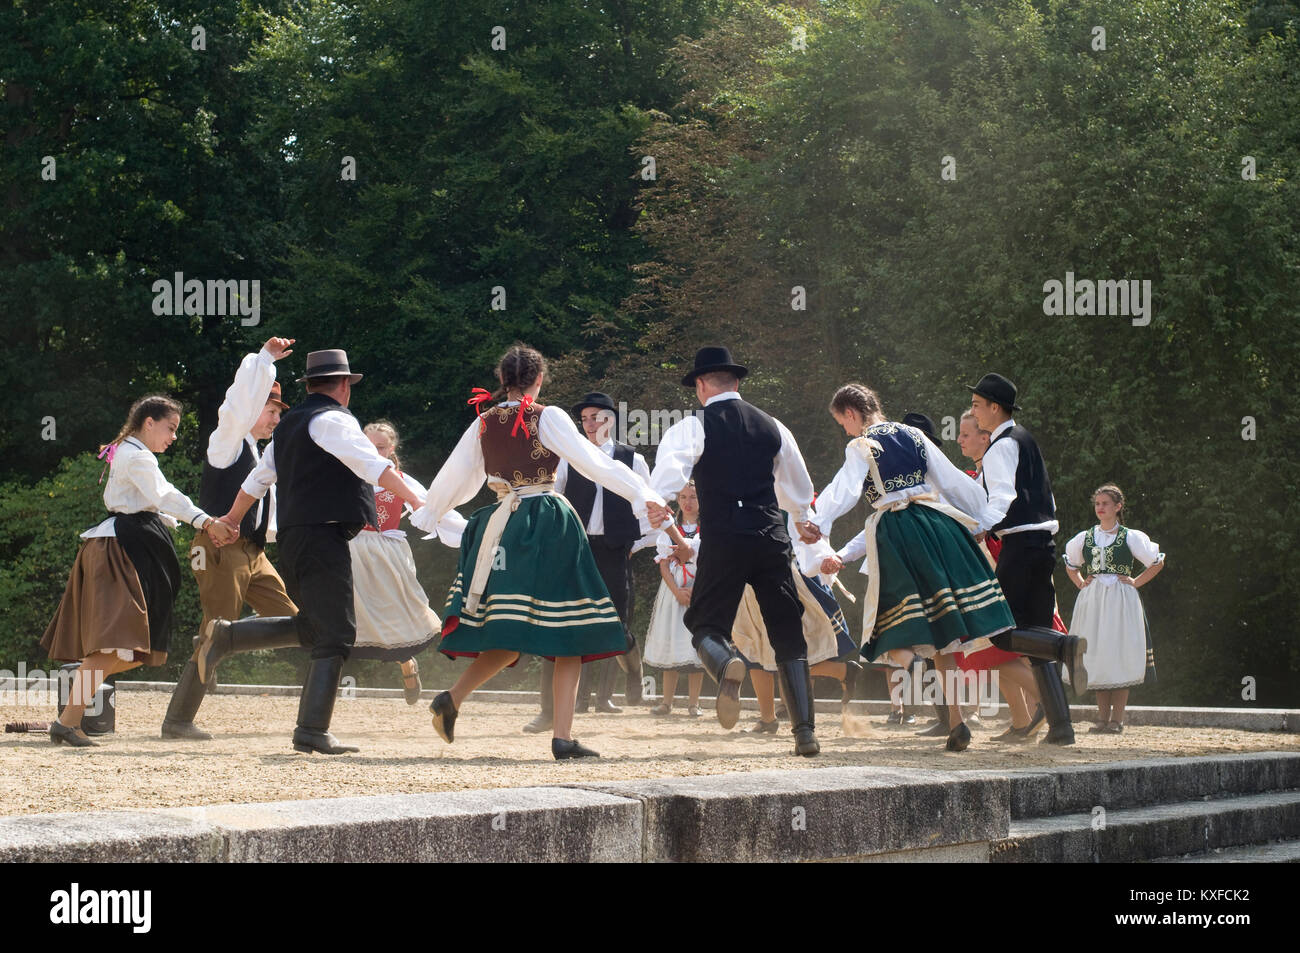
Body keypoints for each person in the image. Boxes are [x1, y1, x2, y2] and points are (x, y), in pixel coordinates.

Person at [410, 345, 680, 760]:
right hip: (547, 521)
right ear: (538, 380)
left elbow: (456, 478)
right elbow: (594, 463)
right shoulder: (547, 416)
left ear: (503, 381)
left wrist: (431, 514)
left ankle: (451, 697)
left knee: (511, 627)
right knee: (571, 626)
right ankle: (563, 737)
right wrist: (642, 495)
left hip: (501, 524)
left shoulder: (484, 421)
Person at [213, 349, 424, 754]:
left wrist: (233, 518)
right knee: (337, 633)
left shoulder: (290, 425)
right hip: (321, 535)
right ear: (344, 386)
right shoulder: (333, 421)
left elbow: (258, 480)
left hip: (297, 537)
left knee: (313, 626)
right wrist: (417, 501)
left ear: (310, 385)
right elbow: (373, 467)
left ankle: (227, 637)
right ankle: (311, 730)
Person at [810, 384, 1018, 751]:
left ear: (851, 414)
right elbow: (954, 482)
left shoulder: (860, 444)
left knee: (913, 626)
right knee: (945, 635)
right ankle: (956, 721)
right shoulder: (914, 434)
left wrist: (814, 522)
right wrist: (982, 519)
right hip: (937, 526)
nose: (844, 430)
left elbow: (844, 491)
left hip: (901, 537)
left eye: (842, 422)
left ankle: (935, 711)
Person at [648, 346, 822, 756]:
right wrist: (801, 517)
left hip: (724, 536)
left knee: (705, 625)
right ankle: (805, 734)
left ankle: (725, 662)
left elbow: (671, 469)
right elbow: (797, 485)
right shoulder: (773, 425)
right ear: (737, 382)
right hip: (769, 536)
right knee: (787, 634)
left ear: (701, 386)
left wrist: (658, 500)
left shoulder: (694, 426)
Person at [42, 396, 236, 746]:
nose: (174, 437)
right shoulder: (136, 456)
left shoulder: (131, 453)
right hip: (120, 552)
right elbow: (164, 495)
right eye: (171, 428)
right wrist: (206, 521)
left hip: (129, 548)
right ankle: (69, 720)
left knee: (132, 652)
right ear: (149, 422)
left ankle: (71, 708)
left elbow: (159, 500)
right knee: (115, 647)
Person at [161, 337, 300, 741]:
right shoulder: (227, 444)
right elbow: (236, 406)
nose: (276, 419)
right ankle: (178, 720)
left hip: (253, 553)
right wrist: (264, 361)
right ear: (255, 405)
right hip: (221, 550)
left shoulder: (258, 453)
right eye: (271, 410)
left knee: (297, 623)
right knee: (216, 630)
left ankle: (219, 638)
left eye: (277, 412)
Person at [969, 373, 1088, 746]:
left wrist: (980, 528)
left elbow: (1000, 498)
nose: (974, 411)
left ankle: (1064, 646)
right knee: (1035, 642)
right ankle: (1062, 728)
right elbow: (1048, 500)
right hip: (1043, 545)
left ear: (993, 407)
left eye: (976, 405)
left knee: (1000, 632)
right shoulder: (1027, 440)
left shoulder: (1001, 446)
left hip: (1019, 546)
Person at [524, 392, 653, 731]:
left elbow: (649, 511)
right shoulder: (567, 458)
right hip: (575, 550)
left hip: (615, 551)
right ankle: (548, 712)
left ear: (612, 419)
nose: (591, 424)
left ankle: (634, 670)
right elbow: (552, 500)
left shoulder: (633, 460)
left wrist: (632, 547)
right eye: (585, 419)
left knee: (616, 628)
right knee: (559, 625)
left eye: (597, 417)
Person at [349, 421, 441, 703]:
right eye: (368, 446)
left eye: (380, 447)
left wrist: (465, 531)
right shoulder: (349, 474)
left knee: (395, 609)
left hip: (388, 551)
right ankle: (326, 676)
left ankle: (407, 664)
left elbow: (431, 507)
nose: (374, 452)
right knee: (351, 612)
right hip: (351, 547)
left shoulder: (402, 480)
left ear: (391, 449)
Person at [1064, 484, 1164, 733]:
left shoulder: (1130, 536)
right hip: (1094, 599)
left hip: (1120, 599)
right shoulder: (1085, 537)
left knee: (1118, 652)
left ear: (1118, 507)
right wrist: (1080, 584)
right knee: (1097, 653)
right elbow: (1071, 564)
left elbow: (1156, 561)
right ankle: (1101, 718)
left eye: (1105, 504)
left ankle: (1117, 719)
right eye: (1097, 504)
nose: (1100, 508)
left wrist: (1135, 582)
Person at [644, 483, 704, 716]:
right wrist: (677, 592)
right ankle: (666, 702)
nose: (688, 502)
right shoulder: (669, 529)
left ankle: (693, 703)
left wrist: (697, 591)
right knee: (671, 638)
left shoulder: (707, 528)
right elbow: (664, 565)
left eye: (693, 497)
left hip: (700, 586)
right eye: (683, 497)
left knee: (695, 642)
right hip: (674, 589)